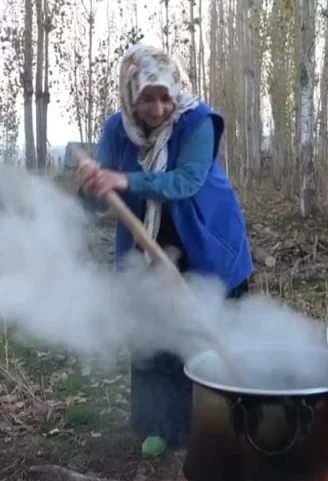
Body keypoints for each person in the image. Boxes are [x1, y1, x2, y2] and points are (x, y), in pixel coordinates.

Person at [76, 43, 254, 453]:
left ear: (176, 93)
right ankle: (161, 425)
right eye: (146, 99)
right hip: (146, 245)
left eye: (164, 98)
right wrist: (91, 184)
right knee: (154, 332)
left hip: (207, 241)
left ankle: (220, 426)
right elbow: (101, 194)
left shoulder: (199, 123)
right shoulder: (117, 130)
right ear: (131, 95)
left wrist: (125, 180)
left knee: (204, 333)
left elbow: (185, 181)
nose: (157, 109)